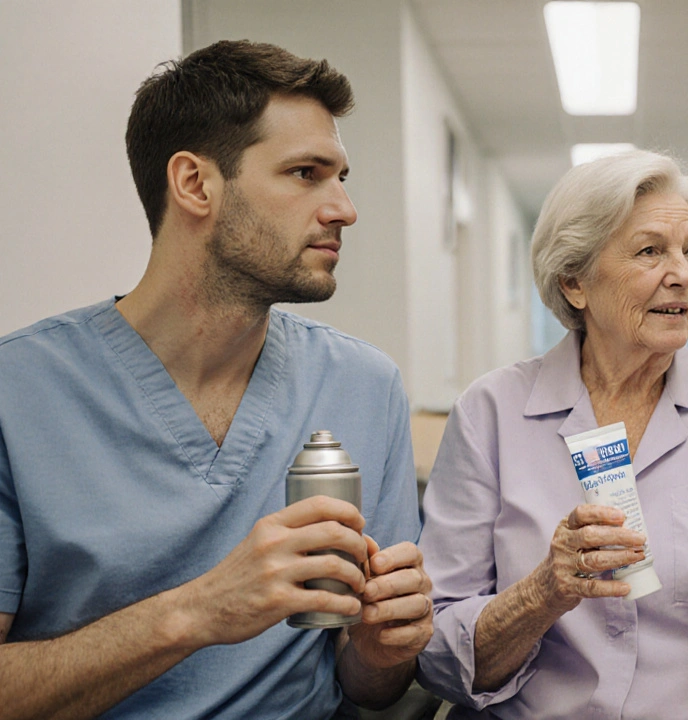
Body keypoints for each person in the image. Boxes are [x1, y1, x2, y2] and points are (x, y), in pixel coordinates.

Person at [0, 40, 433, 718]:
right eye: (306, 173)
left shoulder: (363, 385)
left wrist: (383, 650)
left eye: (341, 175)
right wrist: (197, 612)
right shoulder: (17, 395)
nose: (344, 208)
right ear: (195, 184)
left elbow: (369, 687)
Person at [416, 150, 688, 718]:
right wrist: (543, 593)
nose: (683, 274)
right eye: (650, 251)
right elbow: (434, 649)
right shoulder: (491, 412)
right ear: (575, 282)